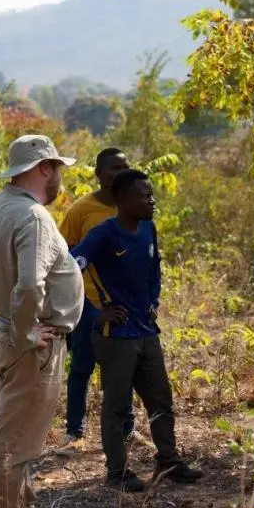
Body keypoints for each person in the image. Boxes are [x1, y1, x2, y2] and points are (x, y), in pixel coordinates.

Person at [0, 135, 83, 508]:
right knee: (13, 443)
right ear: (42, 169)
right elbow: (31, 284)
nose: (59, 177)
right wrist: (26, 332)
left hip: (12, 337)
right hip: (31, 345)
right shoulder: (33, 216)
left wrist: (9, 318)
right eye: (56, 168)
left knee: (20, 437)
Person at [71, 169, 203, 492]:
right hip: (116, 337)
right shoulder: (104, 235)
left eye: (151, 194)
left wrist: (154, 300)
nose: (151, 200)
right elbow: (70, 267)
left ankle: (168, 461)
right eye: (144, 195)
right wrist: (95, 313)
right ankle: (117, 471)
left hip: (146, 331)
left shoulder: (148, 228)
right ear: (122, 200)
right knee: (116, 405)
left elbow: (154, 266)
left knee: (161, 399)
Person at [56, 147, 147, 454]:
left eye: (126, 166)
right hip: (89, 305)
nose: (120, 172)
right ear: (98, 173)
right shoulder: (82, 210)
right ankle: (74, 433)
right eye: (113, 168)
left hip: (127, 306)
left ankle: (127, 429)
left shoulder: (134, 209)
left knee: (123, 370)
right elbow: (65, 257)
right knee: (81, 367)